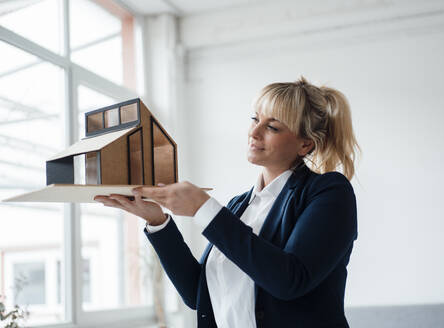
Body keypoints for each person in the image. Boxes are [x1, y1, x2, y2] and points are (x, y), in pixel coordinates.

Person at [95, 76, 361, 328]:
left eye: (272, 126)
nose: (254, 132)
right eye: (255, 119)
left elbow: (289, 281)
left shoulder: (330, 192)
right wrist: (157, 221)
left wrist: (203, 208)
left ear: (305, 145)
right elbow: (197, 294)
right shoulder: (239, 206)